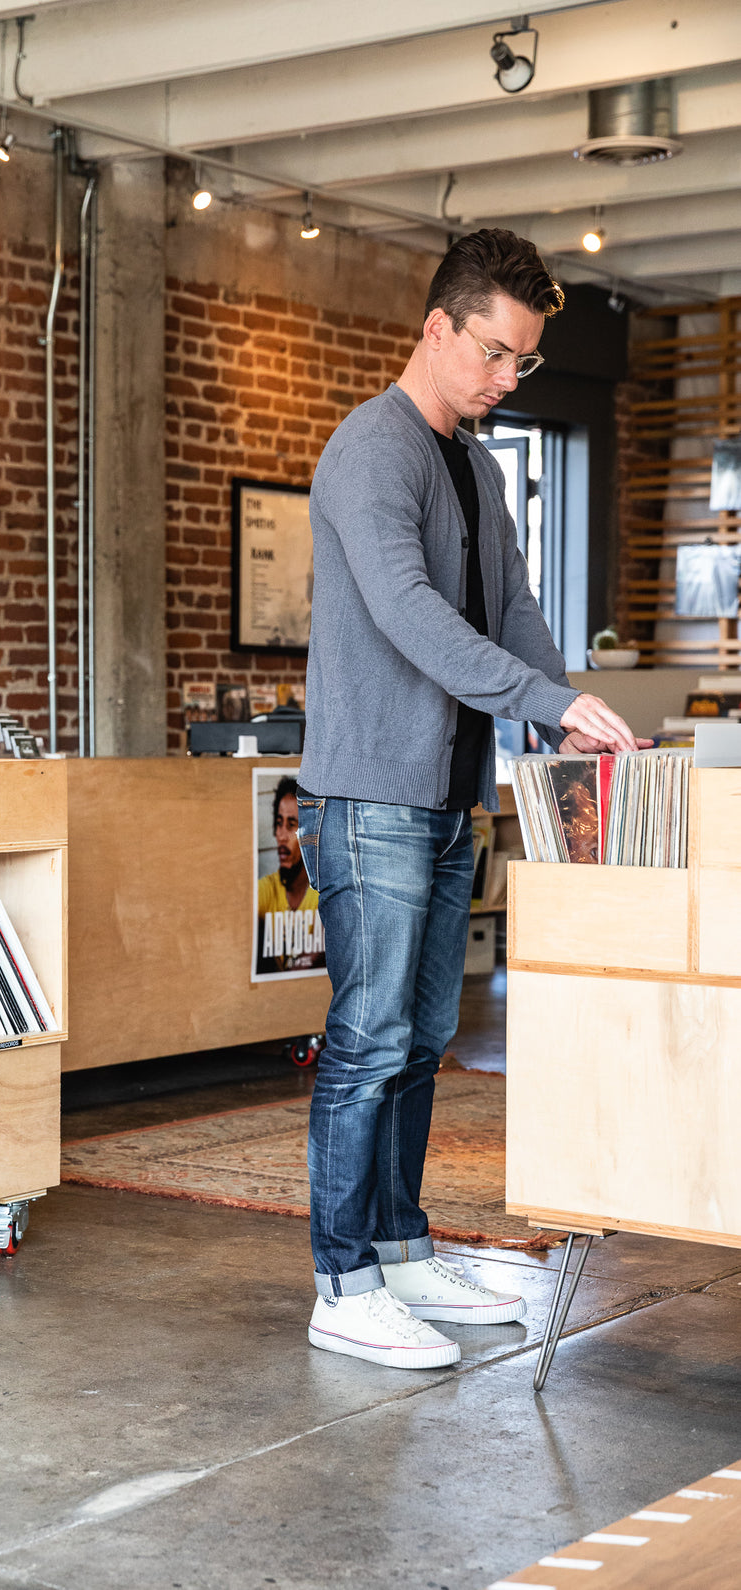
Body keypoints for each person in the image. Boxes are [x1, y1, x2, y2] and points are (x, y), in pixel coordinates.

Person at [295, 228, 650, 1370]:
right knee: (365, 1039)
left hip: (449, 801)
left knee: (420, 1038)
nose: (507, 379)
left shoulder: (477, 467)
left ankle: (398, 1251)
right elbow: (408, 614)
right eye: (495, 354)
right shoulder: (369, 452)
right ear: (438, 327)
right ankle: (342, 1282)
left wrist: (562, 705)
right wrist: (534, 692)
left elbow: (510, 613)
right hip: (369, 798)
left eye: (525, 364)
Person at [256, 775, 323, 974]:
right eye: (279, 823)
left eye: (291, 824)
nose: (282, 835)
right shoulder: (266, 889)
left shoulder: (323, 892)